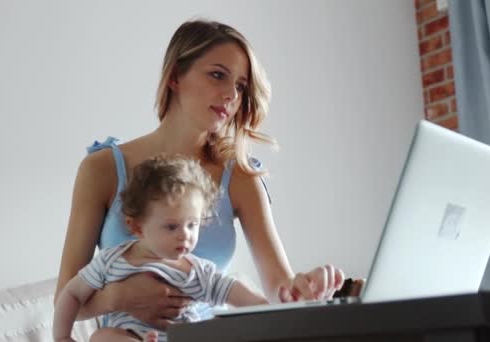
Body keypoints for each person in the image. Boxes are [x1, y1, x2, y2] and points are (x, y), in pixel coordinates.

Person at [54, 18, 346, 333]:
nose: (231, 94)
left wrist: (305, 290)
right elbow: (66, 299)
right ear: (175, 76)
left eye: (240, 85)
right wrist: (118, 297)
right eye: (218, 75)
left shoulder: (240, 178)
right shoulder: (103, 169)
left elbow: (278, 291)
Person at [53, 156, 268, 342]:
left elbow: (239, 294)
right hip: (129, 336)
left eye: (192, 224)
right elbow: (71, 294)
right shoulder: (112, 260)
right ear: (137, 226)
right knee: (101, 337)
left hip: (183, 338)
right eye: (172, 226)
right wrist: (62, 336)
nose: (185, 234)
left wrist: (268, 309)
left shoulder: (198, 271)